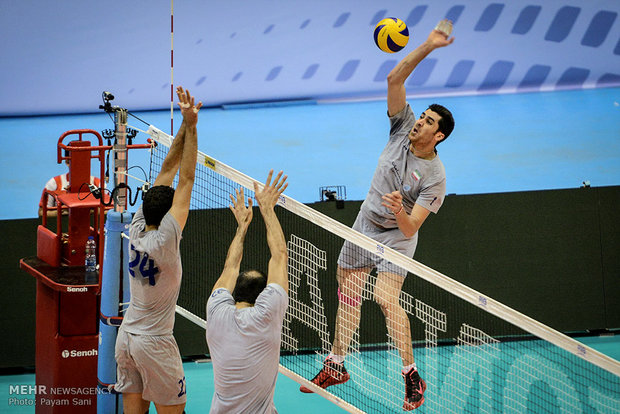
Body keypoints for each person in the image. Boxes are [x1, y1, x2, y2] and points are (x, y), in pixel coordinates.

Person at [299, 20, 455, 411]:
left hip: (398, 236)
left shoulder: (435, 179)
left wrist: (400, 208)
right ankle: (336, 365)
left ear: (438, 137)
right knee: (349, 295)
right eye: (424, 117)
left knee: (386, 300)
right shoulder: (402, 127)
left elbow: (412, 226)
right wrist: (430, 45)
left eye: (430, 122)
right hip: (366, 224)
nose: (421, 121)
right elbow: (394, 76)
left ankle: (411, 375)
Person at [114, 86, 201, 414]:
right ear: (168, 216)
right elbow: (187, 178)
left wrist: (184, 124)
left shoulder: (137, 225)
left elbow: (167, 174)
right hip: (155, 343)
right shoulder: (166, 238)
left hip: (127, 338)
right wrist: (193, 126)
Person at [206, 170, 289, 414]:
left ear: (235, 292)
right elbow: (279, 256)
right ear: (262, 297)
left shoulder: (216, 309)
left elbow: (229, 267)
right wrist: (267, 209)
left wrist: (242, 227)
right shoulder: (266, 316)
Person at [38, 149, 102, 217]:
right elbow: (41, 212)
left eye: (85, 160)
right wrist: (62, 212)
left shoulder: (98, 183)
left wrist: (90, 211)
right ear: (67, 162)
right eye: (78, 160)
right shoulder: (54, 183)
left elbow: (108, 211)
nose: (82, 164)